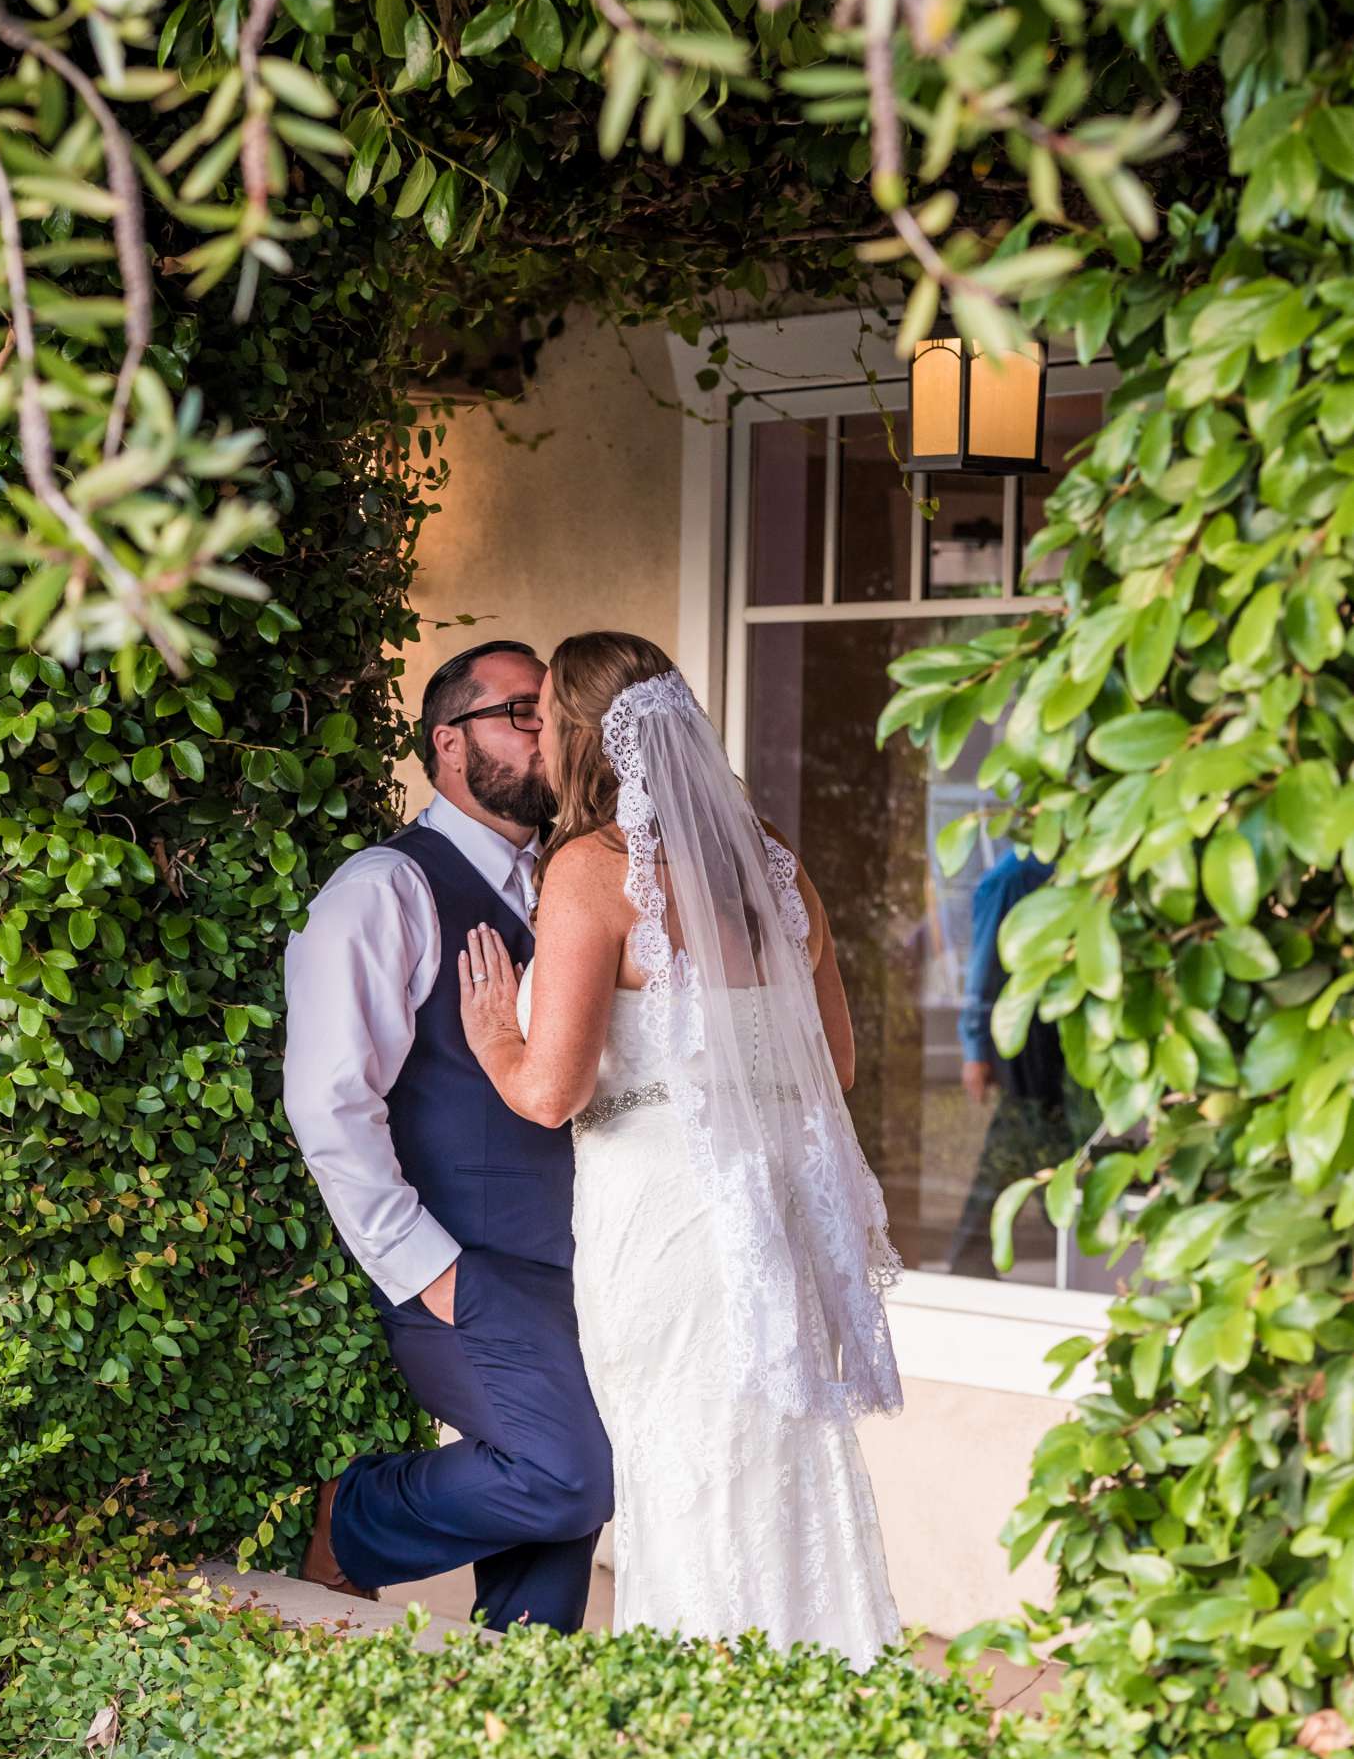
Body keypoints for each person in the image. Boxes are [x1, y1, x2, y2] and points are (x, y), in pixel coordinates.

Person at [457, 631, 902, 1657]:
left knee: (682, 1464)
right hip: (769, 1211)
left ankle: (696, 1706)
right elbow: (832, 1065)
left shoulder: (590, 872)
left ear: (580, 740)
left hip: (659, 1223)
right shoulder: (775, 869)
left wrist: (492, 1035)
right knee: (775, 1467)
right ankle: (809, 1697)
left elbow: (550, 1093)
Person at [281, 638, 612, 1633]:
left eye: (550, 715)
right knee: (569, 1476)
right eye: (521, 714)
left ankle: (518, 1727)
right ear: (449, 744)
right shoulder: (384, 889)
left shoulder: (569, 888)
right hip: (464, 1269)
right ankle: (358, 1516)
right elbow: (330, 1102)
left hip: (582, 1265)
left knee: (553, 1543)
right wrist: (424, 1268)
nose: (544, 734)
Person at [946, 844, 1072, 1281]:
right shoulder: (1014, 876)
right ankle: (975, 1256)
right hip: (1023, 1034)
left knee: (1024, 1140)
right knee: (1033, 1135)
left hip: (1054, 1033)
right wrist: (976, 1048)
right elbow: (983, 966)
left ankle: (972, 1257)